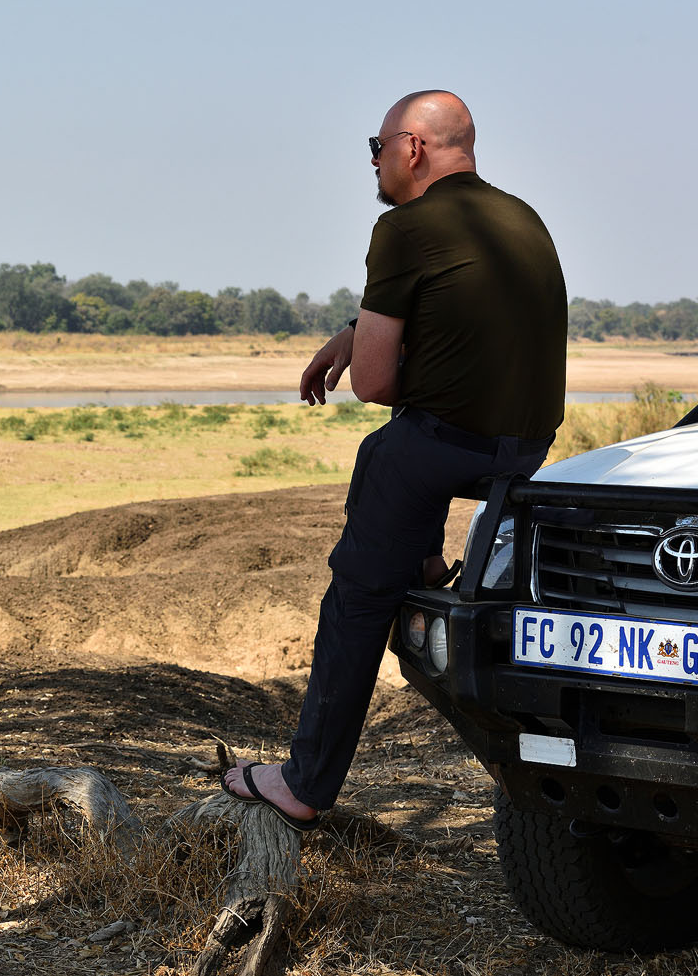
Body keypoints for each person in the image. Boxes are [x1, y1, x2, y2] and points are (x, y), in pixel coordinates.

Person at [221, 90, 567, 830]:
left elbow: (375, 385)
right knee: (397, 470)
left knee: (356, 584)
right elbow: (466, 316)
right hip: (526, 451)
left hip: (446, 446)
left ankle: (305, 780)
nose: (372, 164)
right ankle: (421, 570)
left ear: (411, 148)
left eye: (375, 148)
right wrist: (357, 328)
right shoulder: (521, 217)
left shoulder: (404, 226)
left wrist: (369, 351)